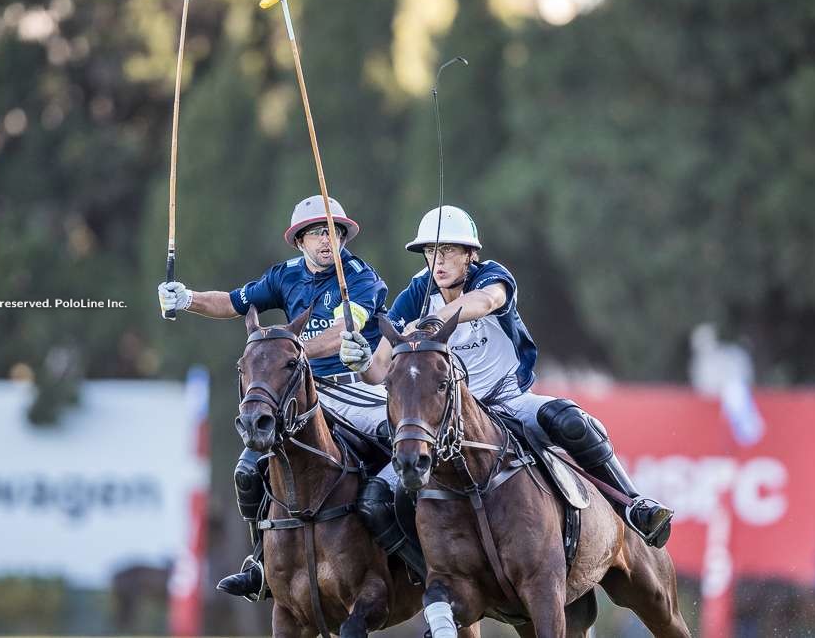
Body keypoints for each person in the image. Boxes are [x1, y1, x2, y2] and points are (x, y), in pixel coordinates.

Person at [339, 205, 674, 547]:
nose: (437, 262)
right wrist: (362, 362)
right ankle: (422, 575)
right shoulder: (416, 293)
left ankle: (632, 505)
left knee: (571, 420)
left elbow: (485, 302)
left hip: (507, 401)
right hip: (447, 420)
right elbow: (380, 369)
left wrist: (433, 320)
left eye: (447, 251)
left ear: (470, 254)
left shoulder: (491, 276)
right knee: (376, 500)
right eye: (429, 252)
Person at [158, 195, 422, 601]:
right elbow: (233, 302)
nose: (326, 240)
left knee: (404, 447)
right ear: (299, 241)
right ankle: (261, 562)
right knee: (248, 471)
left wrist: (285, 347)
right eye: (317, 233)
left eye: (333, 232)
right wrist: (188, 298)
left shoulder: (361, 277)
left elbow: (342, 330)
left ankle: (421, 555)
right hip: (302, 394)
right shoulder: (284, 275)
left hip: (356, 388)